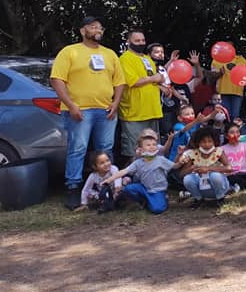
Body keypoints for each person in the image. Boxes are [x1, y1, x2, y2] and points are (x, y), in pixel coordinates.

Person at [50, 16, 126, 210]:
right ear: (83, 31)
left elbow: (119, 82)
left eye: (100, 27)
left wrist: (116, 103)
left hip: (106, 110)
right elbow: (57, 80)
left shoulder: (110, 54)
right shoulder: (69, 51)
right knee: (78, 148)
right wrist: (71, 105)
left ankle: (109, 187)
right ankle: (73, 188)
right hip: (79, 110)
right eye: (93, 27)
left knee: (106, 149)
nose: (98, 30)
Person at [118, 29, 165, 165]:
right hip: (134, 113)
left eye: (143, 40)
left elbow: (153, 80)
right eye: (137, 40)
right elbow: (133, 81)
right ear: (129, 42)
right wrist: (153, 78)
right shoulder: (125, 58)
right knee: (134, 152)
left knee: (152, 149)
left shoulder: (147, 58)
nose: (141, 43)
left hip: (152, 110)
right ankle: (131, 175)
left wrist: (161, 83)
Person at [179, 127, 233, 207]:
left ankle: (220, 198)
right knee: (187, 179)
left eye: (210, 141)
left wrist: (208, 169)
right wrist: (192, 168)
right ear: (198, 142)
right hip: (201, 187)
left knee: (215, 176)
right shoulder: (193, 154)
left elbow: (229, 168)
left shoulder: (218, 151)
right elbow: (182, 174)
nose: (207, 144)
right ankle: (198, 199)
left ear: (214, 141)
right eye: (203, 142)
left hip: (219, 186)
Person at [211, 43, 246, 120]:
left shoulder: (241, 59)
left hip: (237, 92)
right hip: (223, 92)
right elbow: (212, 76)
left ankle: (234, 128)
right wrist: (220, 73)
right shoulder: (217, 59)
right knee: (224, 115)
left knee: (235, 115)